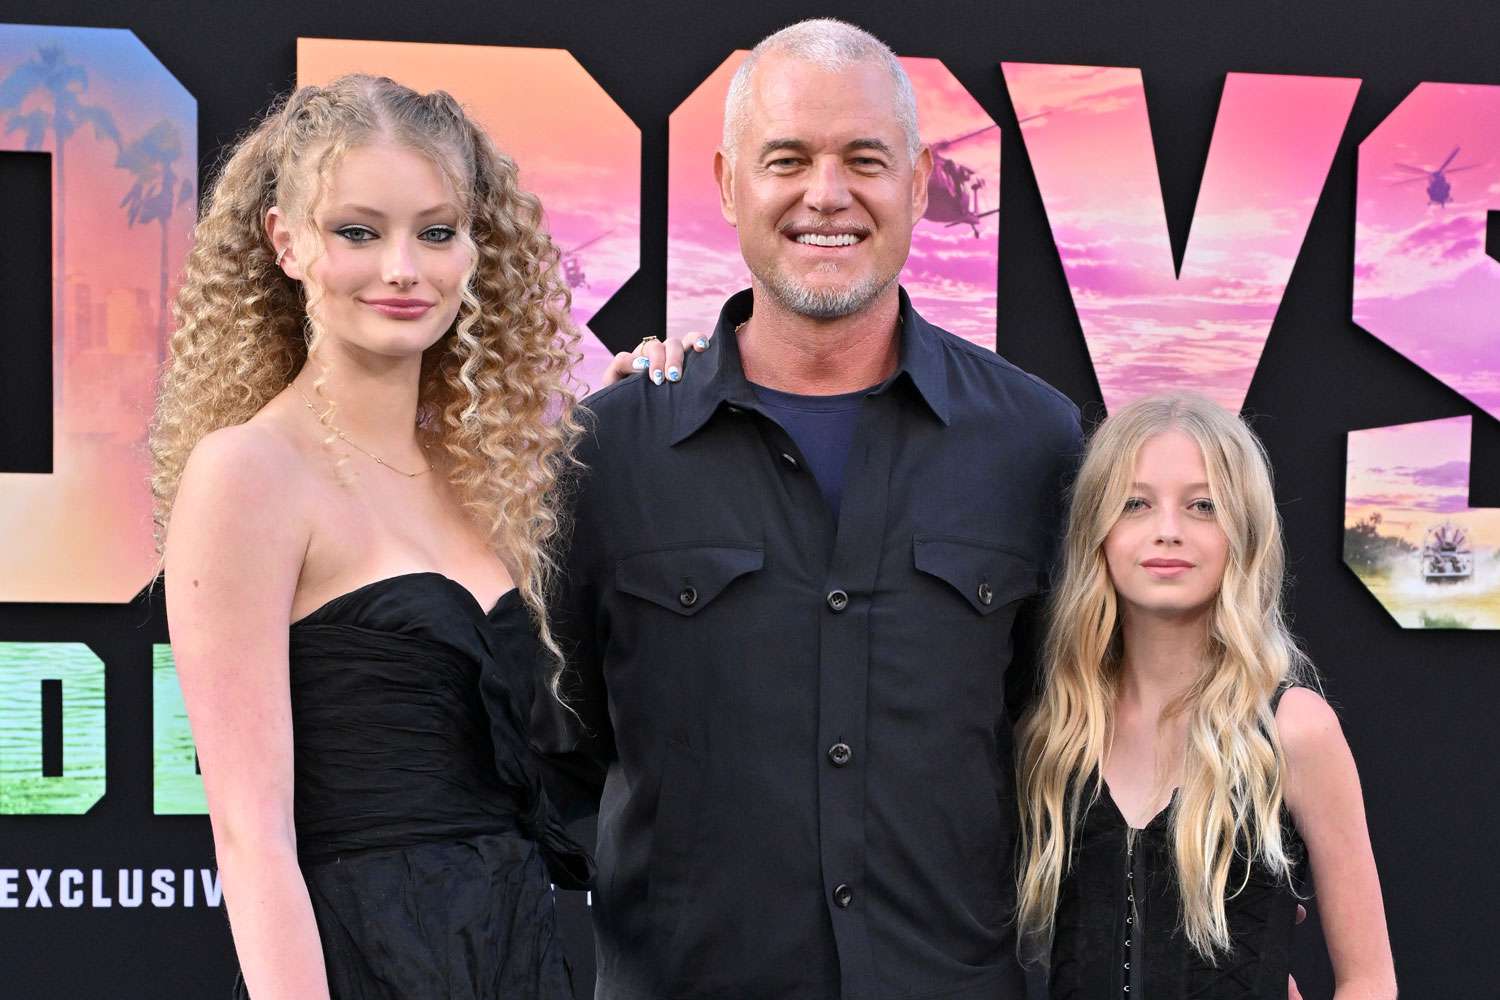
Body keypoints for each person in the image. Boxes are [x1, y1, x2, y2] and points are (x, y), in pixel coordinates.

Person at [540, 19, 1081, 1000]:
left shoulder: (1035, 443)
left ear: (917, 183)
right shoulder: (609, 451)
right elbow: (550, 751)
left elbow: (1081, 742)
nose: (825, 195)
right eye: (786, 158)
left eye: (863, 160)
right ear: (727, 182)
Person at [152, 74, 592, 1000]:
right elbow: (251, 835)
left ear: (477, 246)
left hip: (521, 949)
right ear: (288, 241)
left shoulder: (489, 481)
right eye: (359, 231)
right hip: (365, 961)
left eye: (437, 232)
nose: (404, 268)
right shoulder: (247, 474)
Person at [1014, 393, 1397, 998]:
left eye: (1202, 506)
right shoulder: (1055, 731)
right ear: (1097, 531)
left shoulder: (1291, 730)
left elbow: (1370, 981)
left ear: (1244, 533)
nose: (1168, 531)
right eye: (1135, 504)